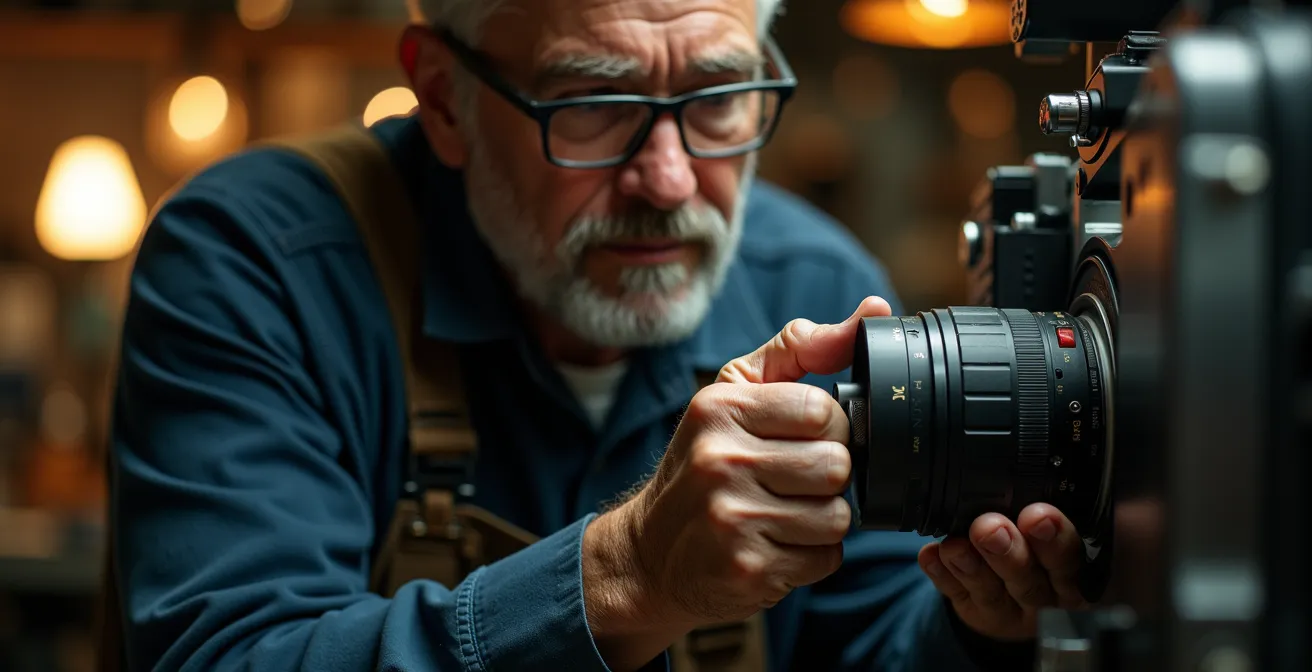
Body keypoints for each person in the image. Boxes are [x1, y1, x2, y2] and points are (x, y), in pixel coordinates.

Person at [106, 0, 1092, 669]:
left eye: (715, 100)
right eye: (590, 106)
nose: (667, 182)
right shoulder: (259, 263)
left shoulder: (816, 284)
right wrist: (627, 573)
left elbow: (870, 644)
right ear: (444, 97)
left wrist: (978, 625)